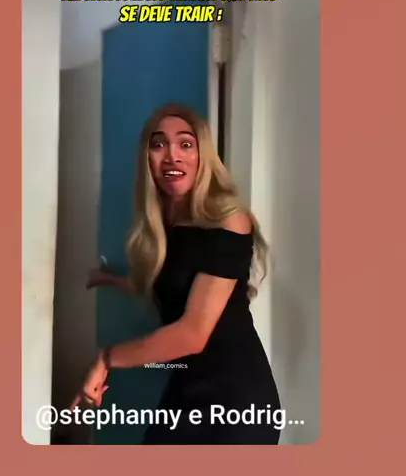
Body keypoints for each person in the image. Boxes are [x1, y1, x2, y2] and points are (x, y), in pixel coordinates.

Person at [73, 103, 281, 444]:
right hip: (188, 385)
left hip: (236, 400)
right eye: (159, 144)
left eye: (185, 144)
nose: (172, 156)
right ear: (148, 158)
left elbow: (192, 334)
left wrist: (107, 358)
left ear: (203, 156)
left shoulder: (228, 221)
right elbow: (173, 285)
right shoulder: (167, 226)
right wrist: (112, 280)